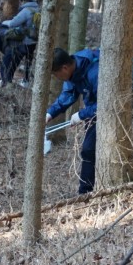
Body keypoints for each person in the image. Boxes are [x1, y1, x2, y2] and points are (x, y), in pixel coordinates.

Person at [45, 47, 101, 194]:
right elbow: (68, 94)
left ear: (64, 68)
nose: (57, 78)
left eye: (56, 74)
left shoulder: (94, 71)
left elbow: (106, 102)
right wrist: (50, 114)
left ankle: (85, 193)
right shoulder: (73, 71)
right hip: (93, 110)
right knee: (90, 150)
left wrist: (81, 115)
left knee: (89, 150)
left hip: (109, 110)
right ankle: (87, 191)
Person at [0, 0, 40, 86]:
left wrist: (4, 23)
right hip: (34, 41)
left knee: (15, 61)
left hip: (24, 41)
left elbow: (13, 23)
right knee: (28, 61)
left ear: (25, 0)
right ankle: (26, 81)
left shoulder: (26, 11)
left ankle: (8, 80)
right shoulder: (38, 10)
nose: (21, 1)